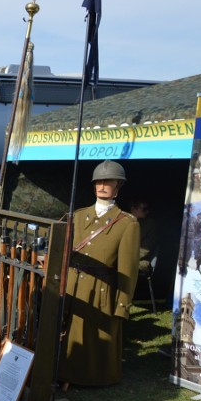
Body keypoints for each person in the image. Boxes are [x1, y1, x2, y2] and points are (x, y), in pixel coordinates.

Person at [61, 160, 140, 387]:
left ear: (118, 187)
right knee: (71, 332)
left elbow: (128, 269)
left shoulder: (127, 224)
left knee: (98, 337)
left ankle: (95, 377)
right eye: (99, 181)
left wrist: (122, 305)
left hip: (101, 290)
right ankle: (66, 373)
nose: (103, 185)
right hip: (73, 285)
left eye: (109, 181)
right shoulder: (78, 216)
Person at [129, 199, 157, 272]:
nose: (147, 212)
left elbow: (144, 250)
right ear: (133, 209)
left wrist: (125, 259)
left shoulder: (149, 225)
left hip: (136, 260)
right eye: (144, 209)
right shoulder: (122, 221)